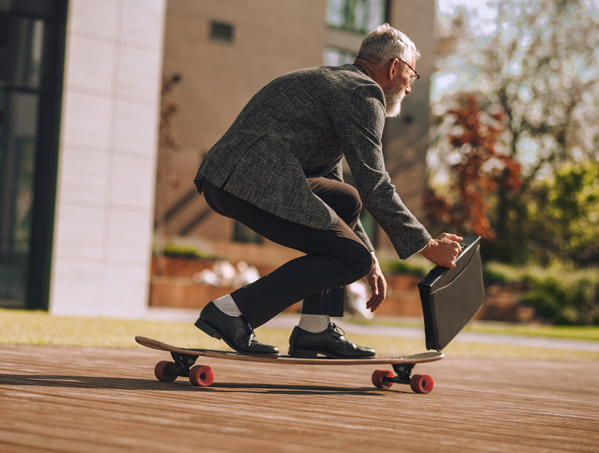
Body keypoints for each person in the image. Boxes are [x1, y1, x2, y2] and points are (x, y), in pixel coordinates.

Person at [192, 24, 463, 358]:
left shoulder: (335, 84)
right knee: (351, 258)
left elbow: (336, 186)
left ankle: (314, 328)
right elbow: (374, 181)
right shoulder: (364, 93)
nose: (409, 87)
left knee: (345, 200)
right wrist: (427, 245)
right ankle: (231, 311)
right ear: (394, 68)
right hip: (248, 178)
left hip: (231, 176)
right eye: (411, 75)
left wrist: (370, 256)